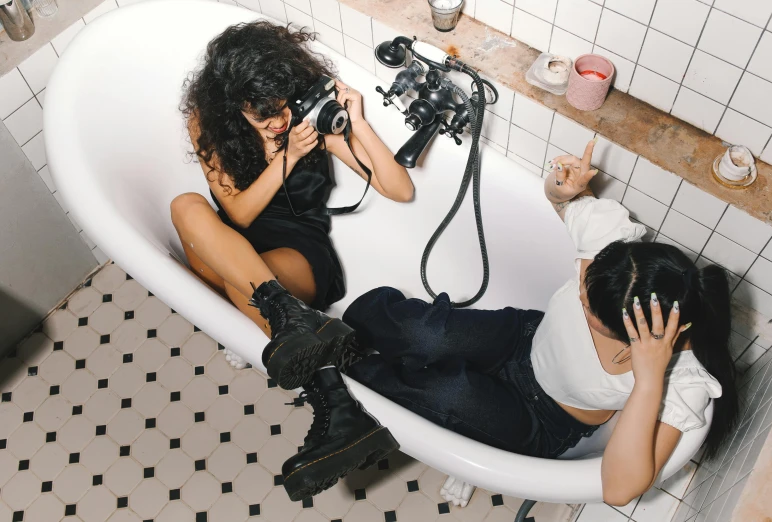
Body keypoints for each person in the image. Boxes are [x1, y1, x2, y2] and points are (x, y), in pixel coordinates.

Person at [343, 138, 739, 506]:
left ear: (633, 334)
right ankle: (337, 332)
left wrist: (649, 379)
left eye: (590, 310)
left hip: (544, 418)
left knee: (451, 394)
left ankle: (344, 377)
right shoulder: (620, 257)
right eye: (586, 283)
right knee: (425, 333)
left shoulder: (684, 375)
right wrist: (560, 189)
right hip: (521, 339)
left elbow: (619, 490)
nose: (579, 294)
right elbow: (564, 202)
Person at [172, 21, 413, 500]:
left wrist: (356, 122)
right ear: (232, 106)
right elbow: (237, 212)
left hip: (298, 258)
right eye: (261, 116)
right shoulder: (208, 119)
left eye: (281, 107)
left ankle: (313, 371)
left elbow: (399, 189)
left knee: (236, 276)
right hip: (234, 246)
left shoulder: (306, 119)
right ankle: (328, 384)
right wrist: (281, 159)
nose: (278, 122)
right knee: (186, 207)